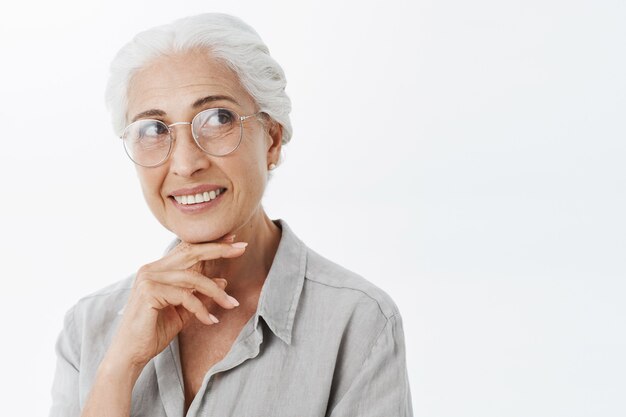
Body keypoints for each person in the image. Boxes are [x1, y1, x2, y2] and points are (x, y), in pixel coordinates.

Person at [49, 13, 413, 417]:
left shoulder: (357, 322)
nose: (186, 164)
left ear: (272, 140)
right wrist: (118, 369)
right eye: (154, 129)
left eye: (218, 119)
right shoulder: (88, 327)